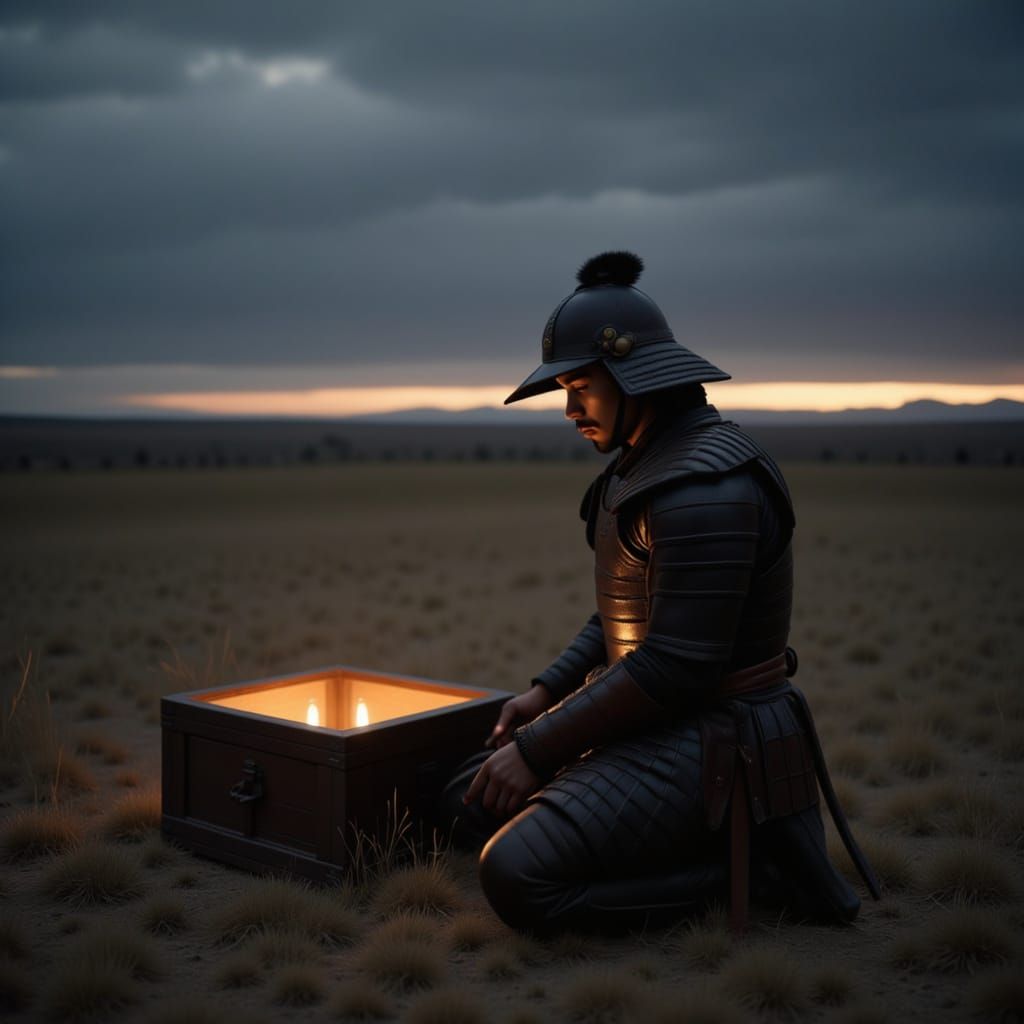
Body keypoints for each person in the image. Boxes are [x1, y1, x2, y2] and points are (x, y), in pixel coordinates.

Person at [441, 251, 878, 933]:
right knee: (462, 798)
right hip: (652, 716)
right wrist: (543, 695)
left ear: (631, 376)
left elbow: (677, 664)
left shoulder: (707, 486)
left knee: (516, 873)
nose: (568, 410)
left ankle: (755, 872)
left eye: (581, 387)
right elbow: (626, 618)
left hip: (713, 739)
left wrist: (537, 750)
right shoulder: (642, 468)